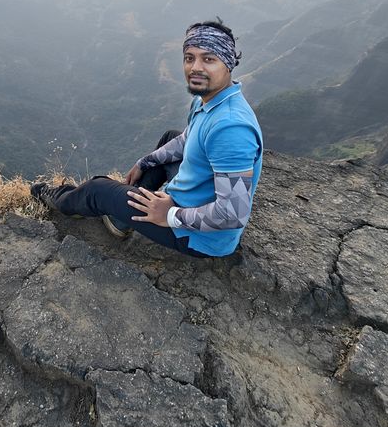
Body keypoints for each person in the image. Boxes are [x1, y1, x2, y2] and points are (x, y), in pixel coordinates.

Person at [30, 19, 263, 257]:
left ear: (228, 63)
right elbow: (185, 140)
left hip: (199, 238)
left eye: (208, 59)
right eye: (189, 58)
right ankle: (122, 219)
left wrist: (169, 215)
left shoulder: (230, 128)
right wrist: (145, 162)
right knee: (169, 139)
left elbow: (232, 215)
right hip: (193, 201)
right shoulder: (210, 101)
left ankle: (56, 197)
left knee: (97, 189)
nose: (195, 67)